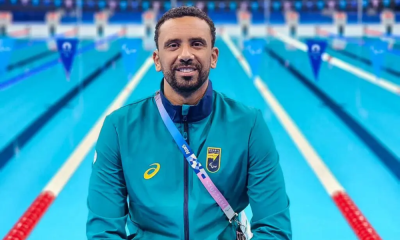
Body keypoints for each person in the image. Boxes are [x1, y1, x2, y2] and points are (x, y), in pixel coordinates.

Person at [86, 6, 292, 240]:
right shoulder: (119, 128)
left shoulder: (248, 125)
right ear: (157, 59)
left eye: (197, 43)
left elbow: (274, 229)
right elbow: (103, 232)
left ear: (213, 57)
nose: (185, 54)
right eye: (173, 45)